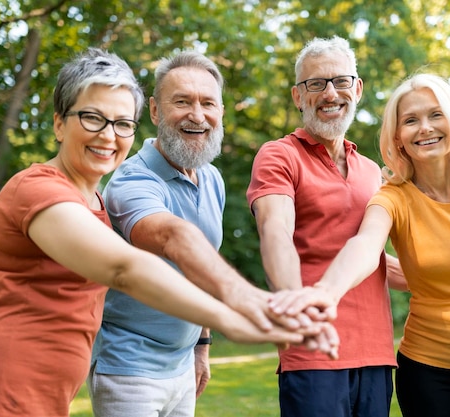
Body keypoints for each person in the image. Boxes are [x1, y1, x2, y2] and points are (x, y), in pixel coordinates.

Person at [0, 48, 310, 417]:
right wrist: (235, 312)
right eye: (93, 118)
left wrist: (202, 342)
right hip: (6, 382)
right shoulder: (39, 191)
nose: (108, 136)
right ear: (60, 123)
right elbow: (125, 268)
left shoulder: (92, 200)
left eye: (122, 123)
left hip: (49, 386)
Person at [269, 73, 450, 417]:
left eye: (436, 115)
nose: (425, 128)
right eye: (411, 121)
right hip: (428, 371)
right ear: (398, 137)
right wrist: (327, 292)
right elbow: (365, 247)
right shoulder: (391, 197)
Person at [87, 51, 338, 417]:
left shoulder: (211, 178)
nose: (197, 114)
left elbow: (201, 266)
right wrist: (250, 301)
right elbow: (174, 238)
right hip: (129, 368)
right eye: (182, 102)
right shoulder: (132, 180)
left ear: (221, 112)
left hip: (182, 366)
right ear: (155, 111)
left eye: (208, 103)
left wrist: (201, 347)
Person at [247, 36, 406, 417]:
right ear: (298, 96)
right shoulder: (279, 155)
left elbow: (372, 258)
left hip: (377, 352)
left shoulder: (372, 171)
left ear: (358, 88)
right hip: (312, 348)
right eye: (315, 84)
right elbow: (276, 232)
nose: (329, 93)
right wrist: (298, 311)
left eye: (340, 81)